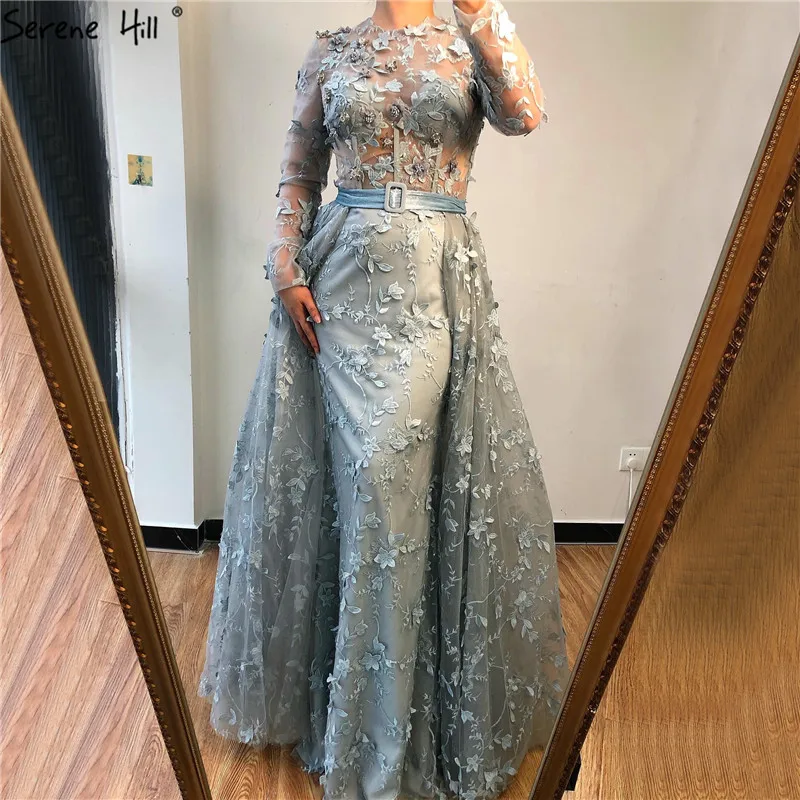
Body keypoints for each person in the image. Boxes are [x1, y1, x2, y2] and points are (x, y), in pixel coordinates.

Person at [198, 2, 571, 798]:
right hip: (338, 285)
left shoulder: (468, 39)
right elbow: (300, 171)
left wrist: (478, 10)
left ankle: (385, 746)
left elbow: (524, 113)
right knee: (356, 495)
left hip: (430, 290)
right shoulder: (332, 49)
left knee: (384, 485)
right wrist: (284, 263)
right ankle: (359, 727)